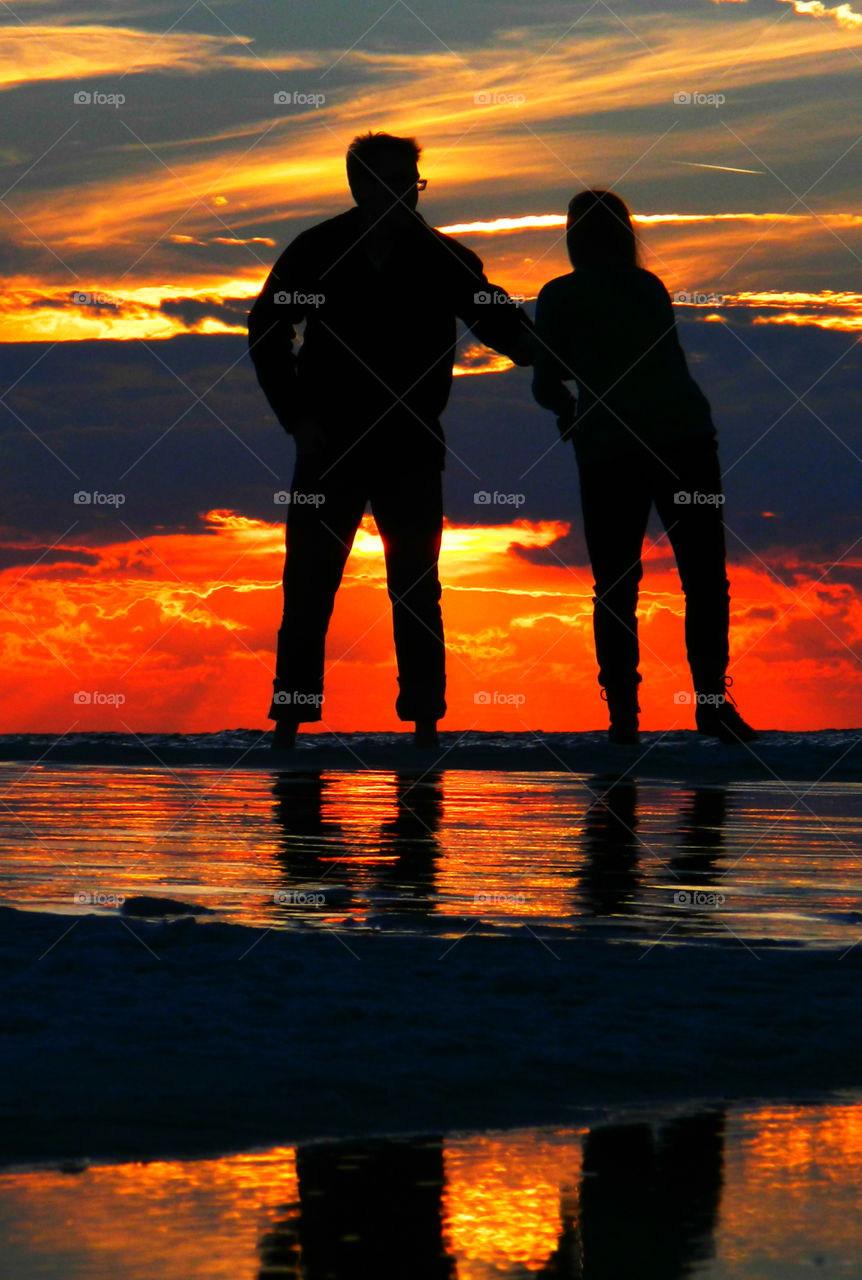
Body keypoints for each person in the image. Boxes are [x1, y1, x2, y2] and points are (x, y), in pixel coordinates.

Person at [248, 132, 533, 749]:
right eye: (389, 182)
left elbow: (499, 321)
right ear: (358, 185)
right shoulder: (318, 250)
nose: (403, 194)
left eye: (411, 183)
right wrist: (297, 417)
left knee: (415, 583)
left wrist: (563, 355)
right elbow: (267, 326)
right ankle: (289, 730)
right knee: (310, 584)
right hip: (330, 446)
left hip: (410, 442)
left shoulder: (441, 258)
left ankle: (427, 726)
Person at [531, 189, 757, 745]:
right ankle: (711, 706)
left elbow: (546, 380)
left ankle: (623, 719)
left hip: (611, 449)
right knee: (704, 579)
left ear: (573, 237)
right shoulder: (648, 287)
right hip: (685, 439)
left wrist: (567, 412)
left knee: (615, 584)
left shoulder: (560, 295)